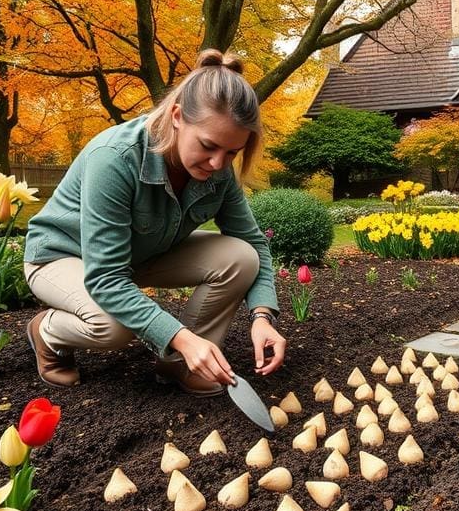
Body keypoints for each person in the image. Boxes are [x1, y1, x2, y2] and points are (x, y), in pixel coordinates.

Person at [23, 49, 285, 396]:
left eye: (232, 152)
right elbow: (105, 277)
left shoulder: (217, 171)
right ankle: (47, 332)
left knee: (241, 257)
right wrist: (182, 337)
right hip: (63, 257)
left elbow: (254, 242)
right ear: (177, 115)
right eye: (208, 145)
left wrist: (262, 317)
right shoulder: (115, 159)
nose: (219, 163)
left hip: (137, 257)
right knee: (114, 324)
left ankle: (179, 365)